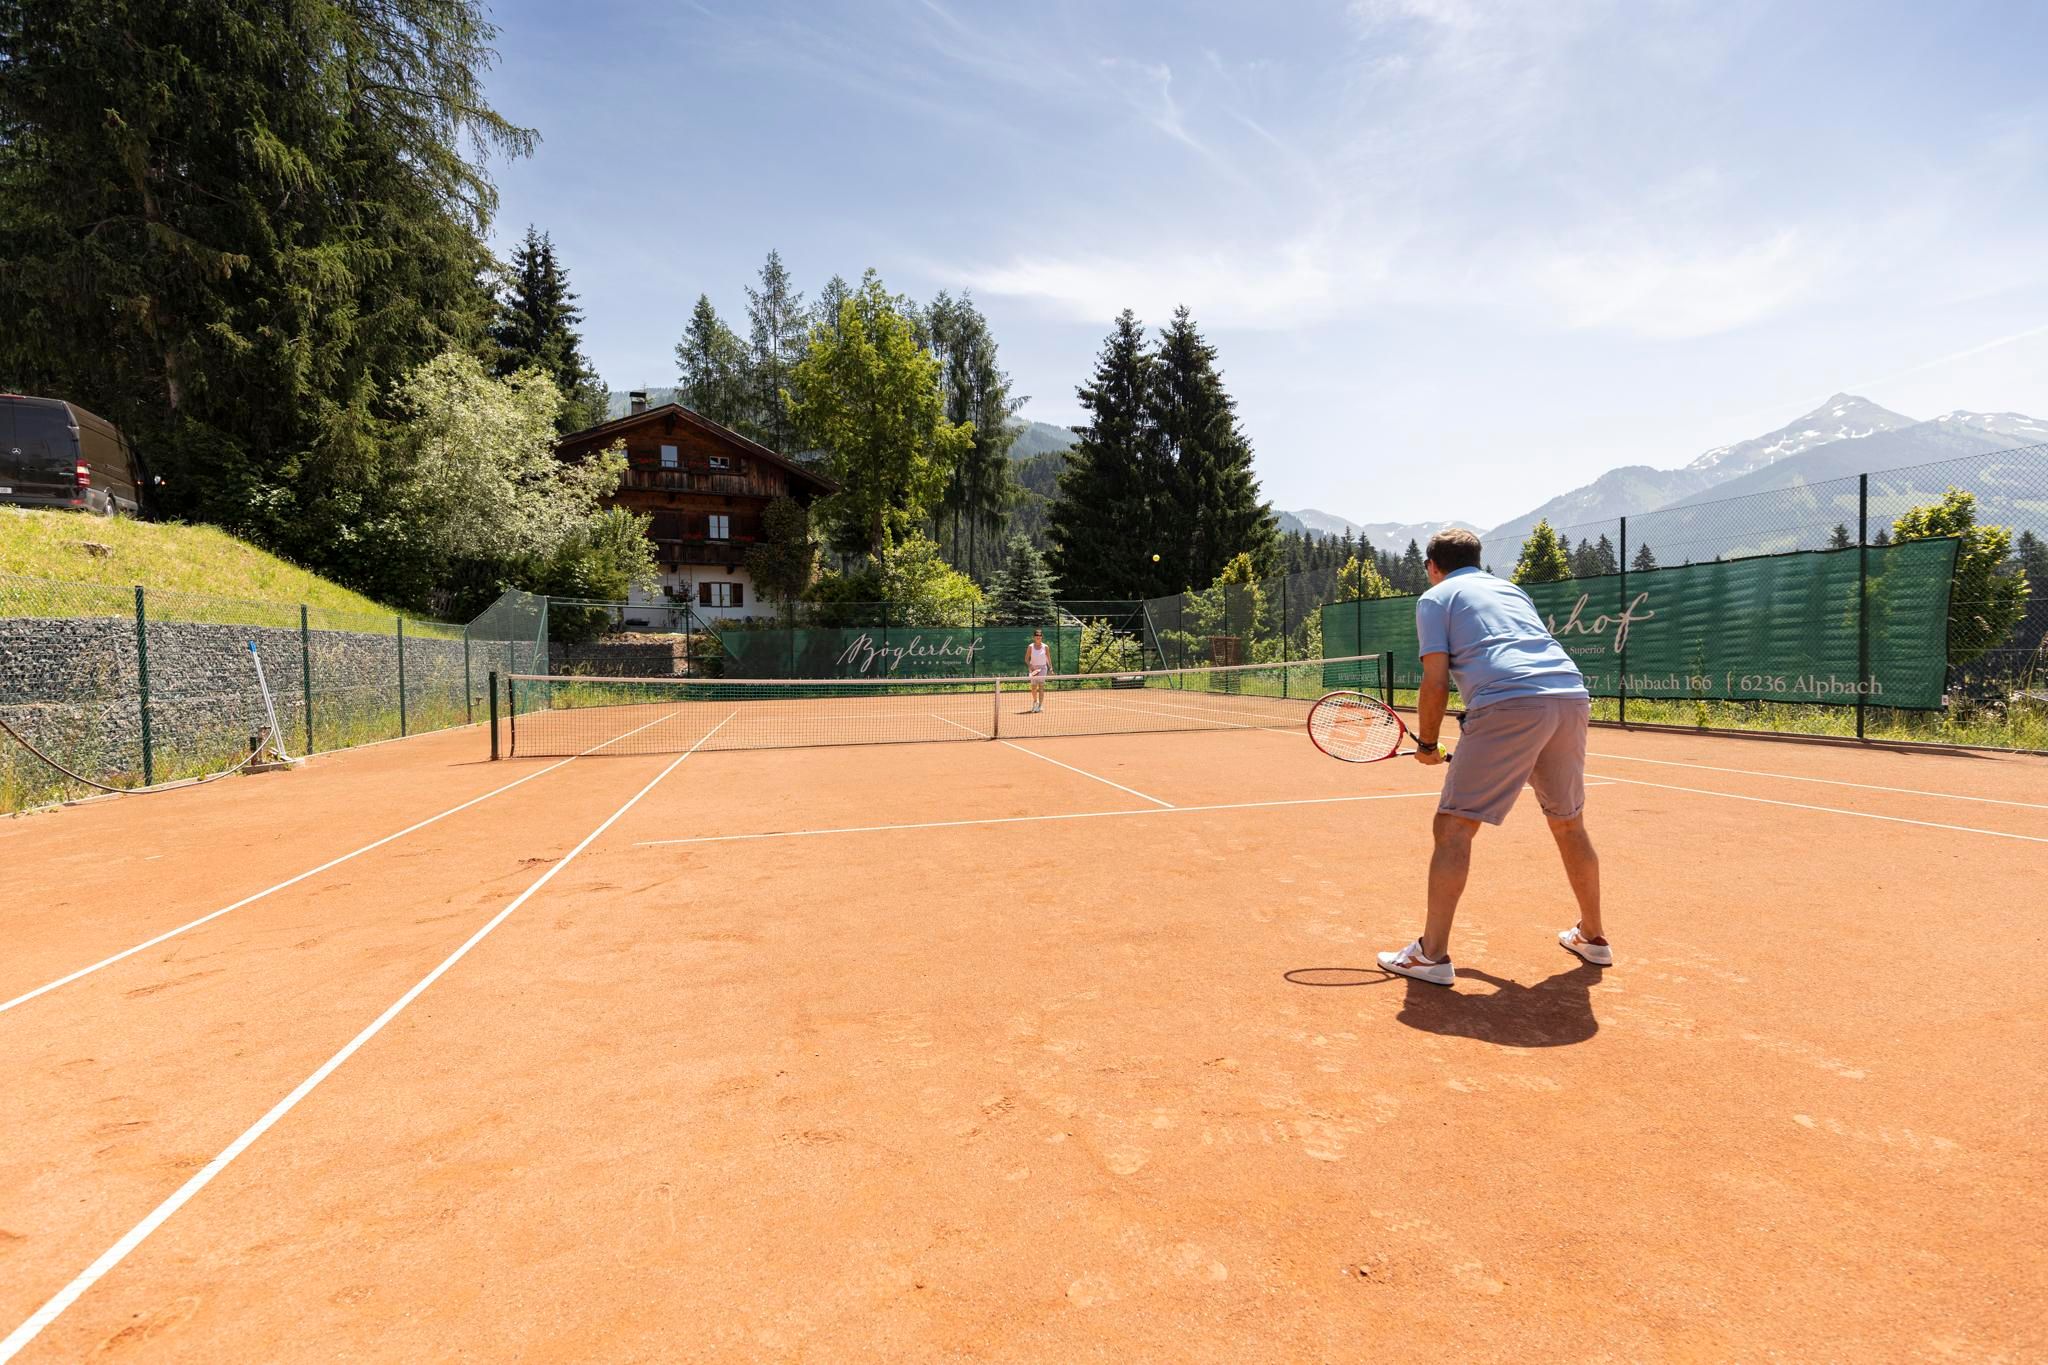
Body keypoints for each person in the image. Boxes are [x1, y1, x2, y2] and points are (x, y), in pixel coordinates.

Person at [1377, 529, 1611, 987]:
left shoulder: (1435, 597)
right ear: (1477, 560)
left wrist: (1427, 744)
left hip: (1509, 702)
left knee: (1453, 827)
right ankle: (1593, 935)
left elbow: (1435, 681)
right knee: (1569, 823)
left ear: (1432, 566)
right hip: (1570, 695)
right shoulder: (1511, 591)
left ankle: (1430, 955)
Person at [1025, 628, 1051, 713]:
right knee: (1033, 688)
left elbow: (1048, 658)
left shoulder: (1045, 647)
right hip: (1033, 668)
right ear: (1034, 637)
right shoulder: (1030, 647)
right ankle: (1035, 702)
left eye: (1040, 635)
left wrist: (1050, 667)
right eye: (1036, 635)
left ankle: (1040, 706)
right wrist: (1032, 668)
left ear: (1042, 637)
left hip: (1043, 668)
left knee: (1041, 686)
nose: (1038, 637)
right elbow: (1026, 659)